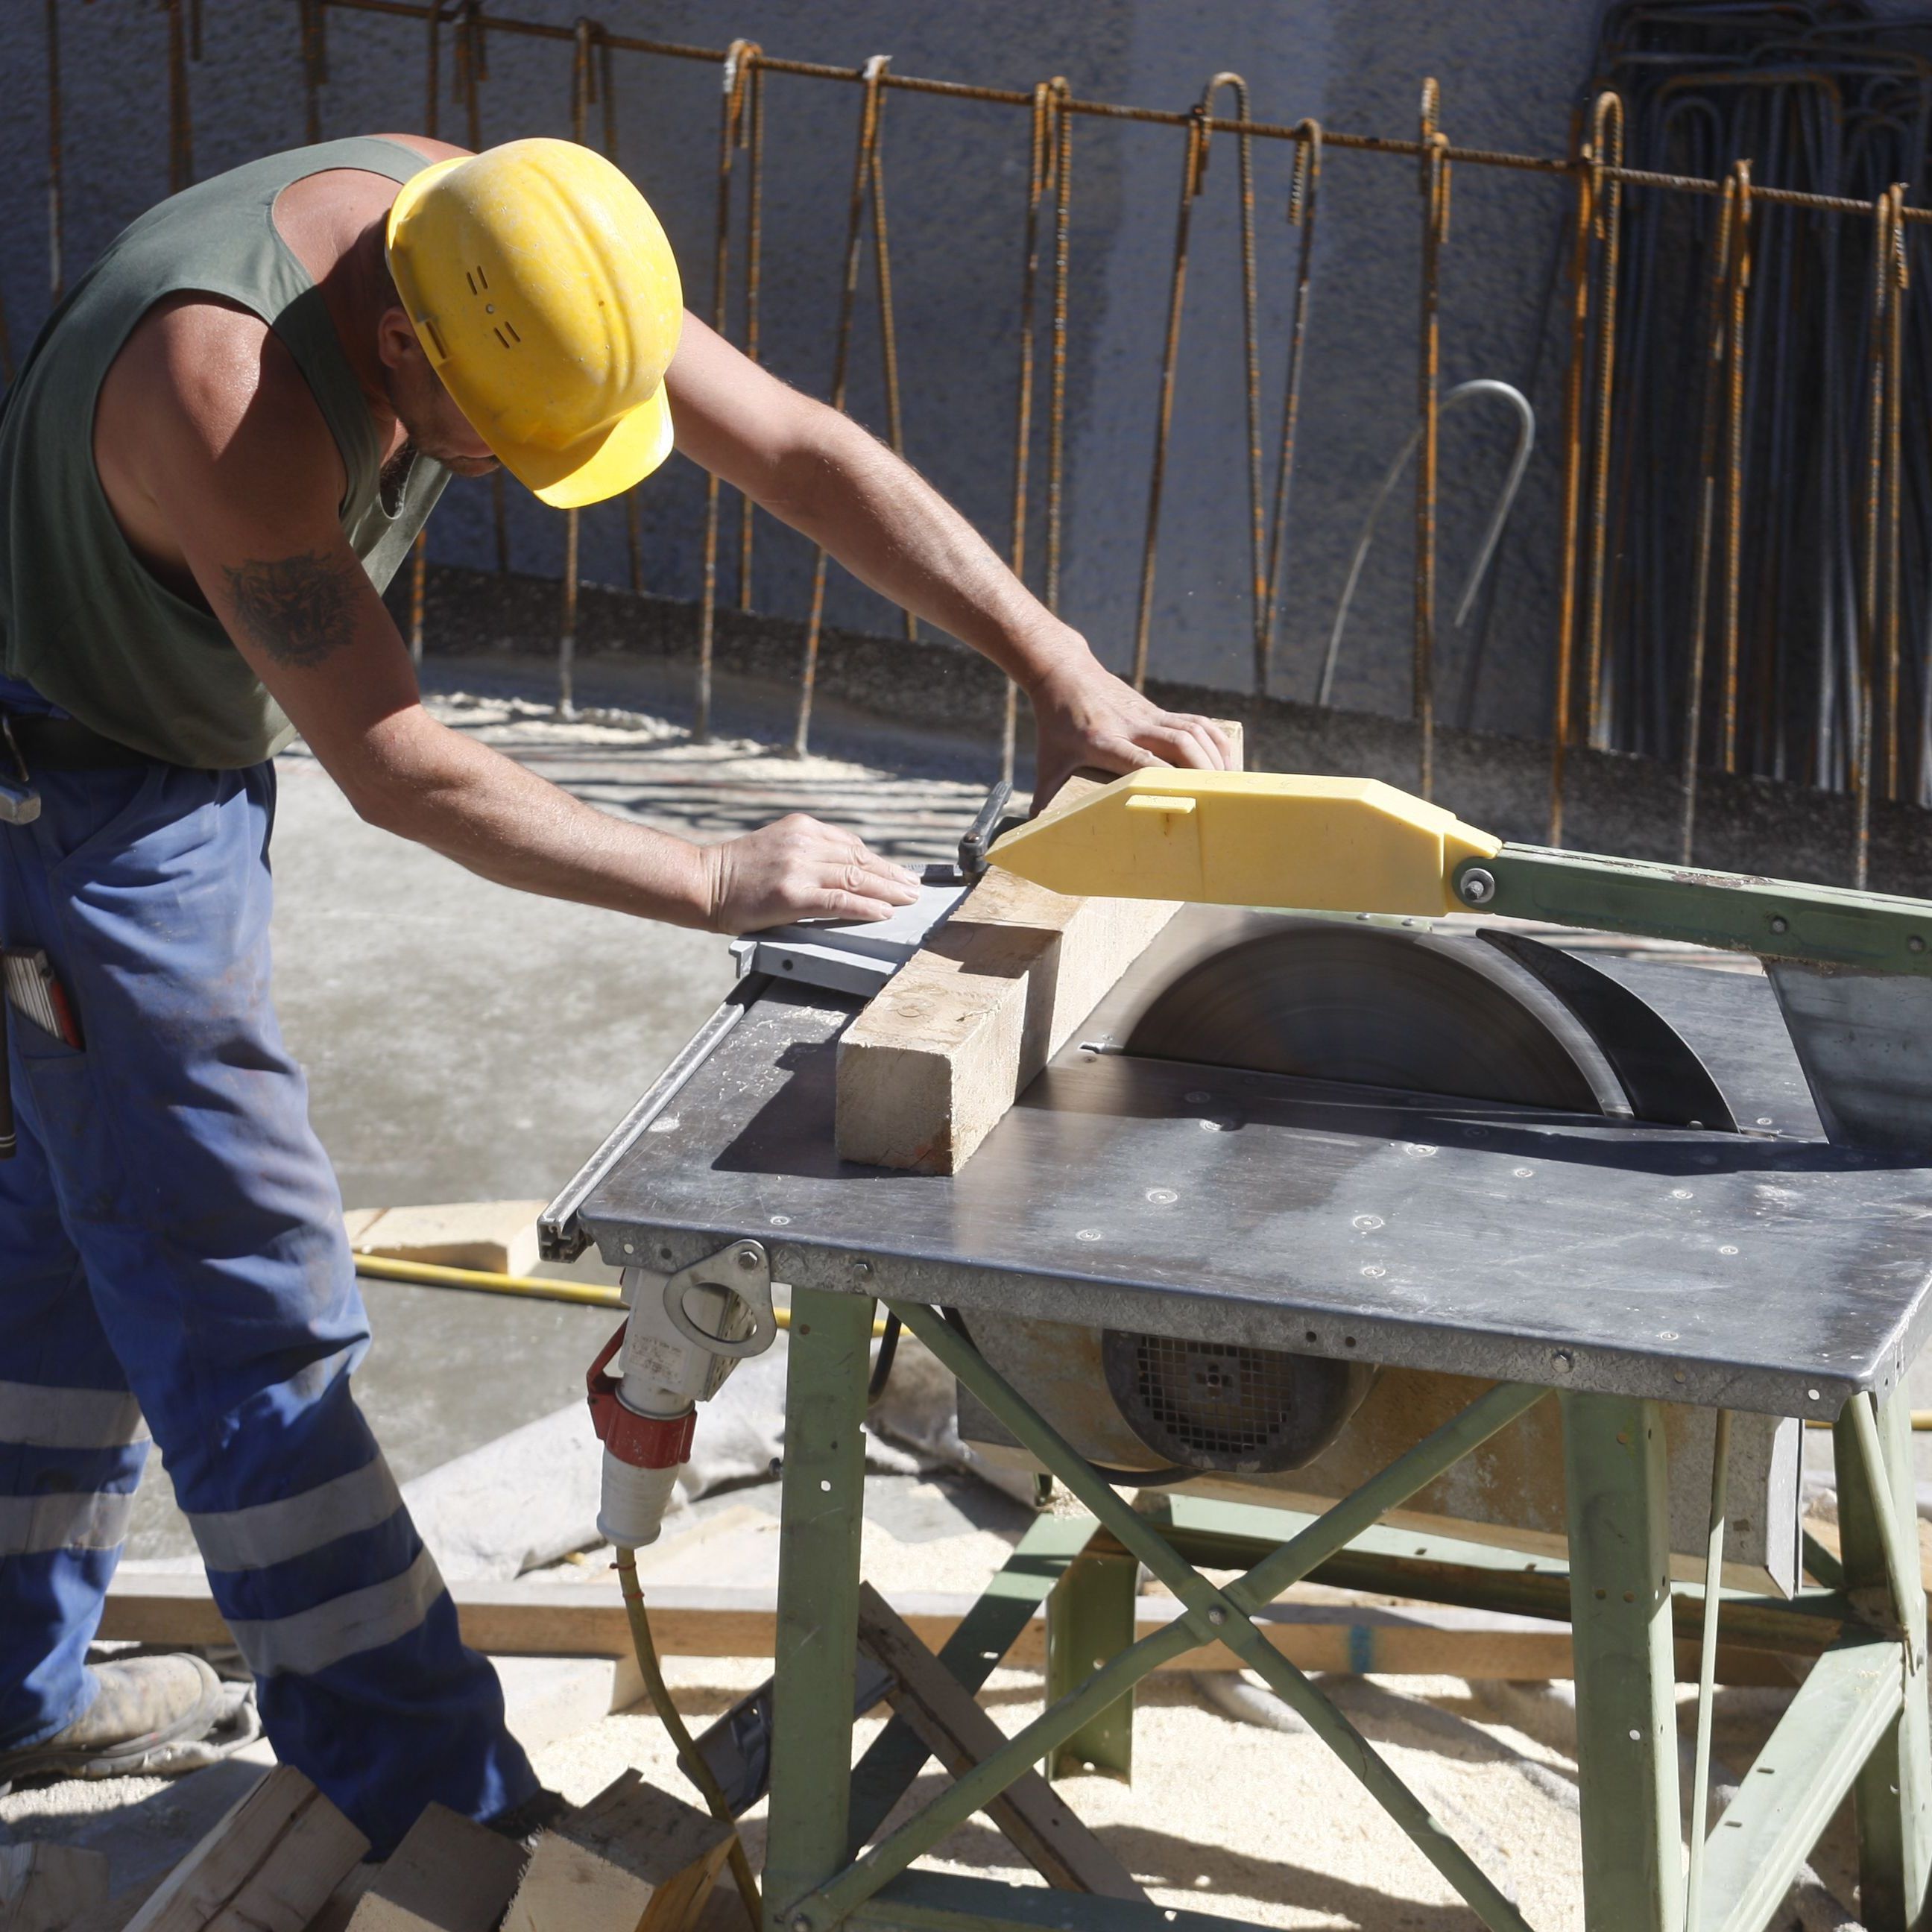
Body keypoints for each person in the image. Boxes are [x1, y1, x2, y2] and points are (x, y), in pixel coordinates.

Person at [0, 134, 1231, 1850]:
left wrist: (1059, 663)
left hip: (169, 736)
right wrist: (716, 875)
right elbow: (402, 762)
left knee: (67, 1239)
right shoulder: (228, 394)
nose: (505, 476)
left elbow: (799, 448)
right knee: (238, 1286)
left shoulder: (507, 235)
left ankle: (9, 1688)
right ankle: (433, 1802)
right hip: (74, 785)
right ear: (408, 345)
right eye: (496, 439)